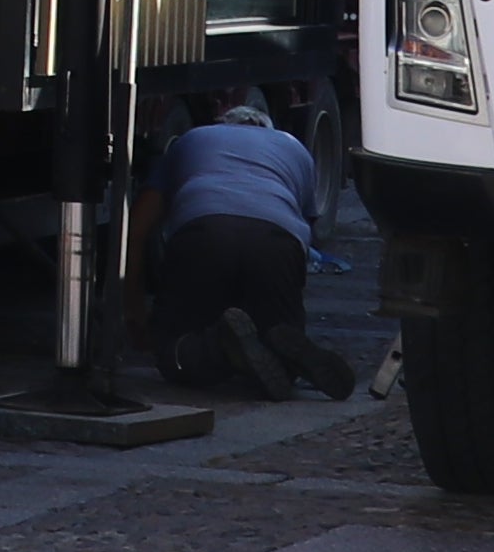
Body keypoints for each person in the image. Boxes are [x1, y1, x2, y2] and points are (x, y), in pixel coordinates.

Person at [137, 87, 353, 401]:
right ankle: (278, 341)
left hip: (205, 232)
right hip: (276, 239)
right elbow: (309, 231)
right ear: (267, 130)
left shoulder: (194, 138)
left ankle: (217, 346)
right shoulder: (293, 148)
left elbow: (142, 221)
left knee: (173, 350)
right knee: (277, 340)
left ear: (224, 124)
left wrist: (131, 297)